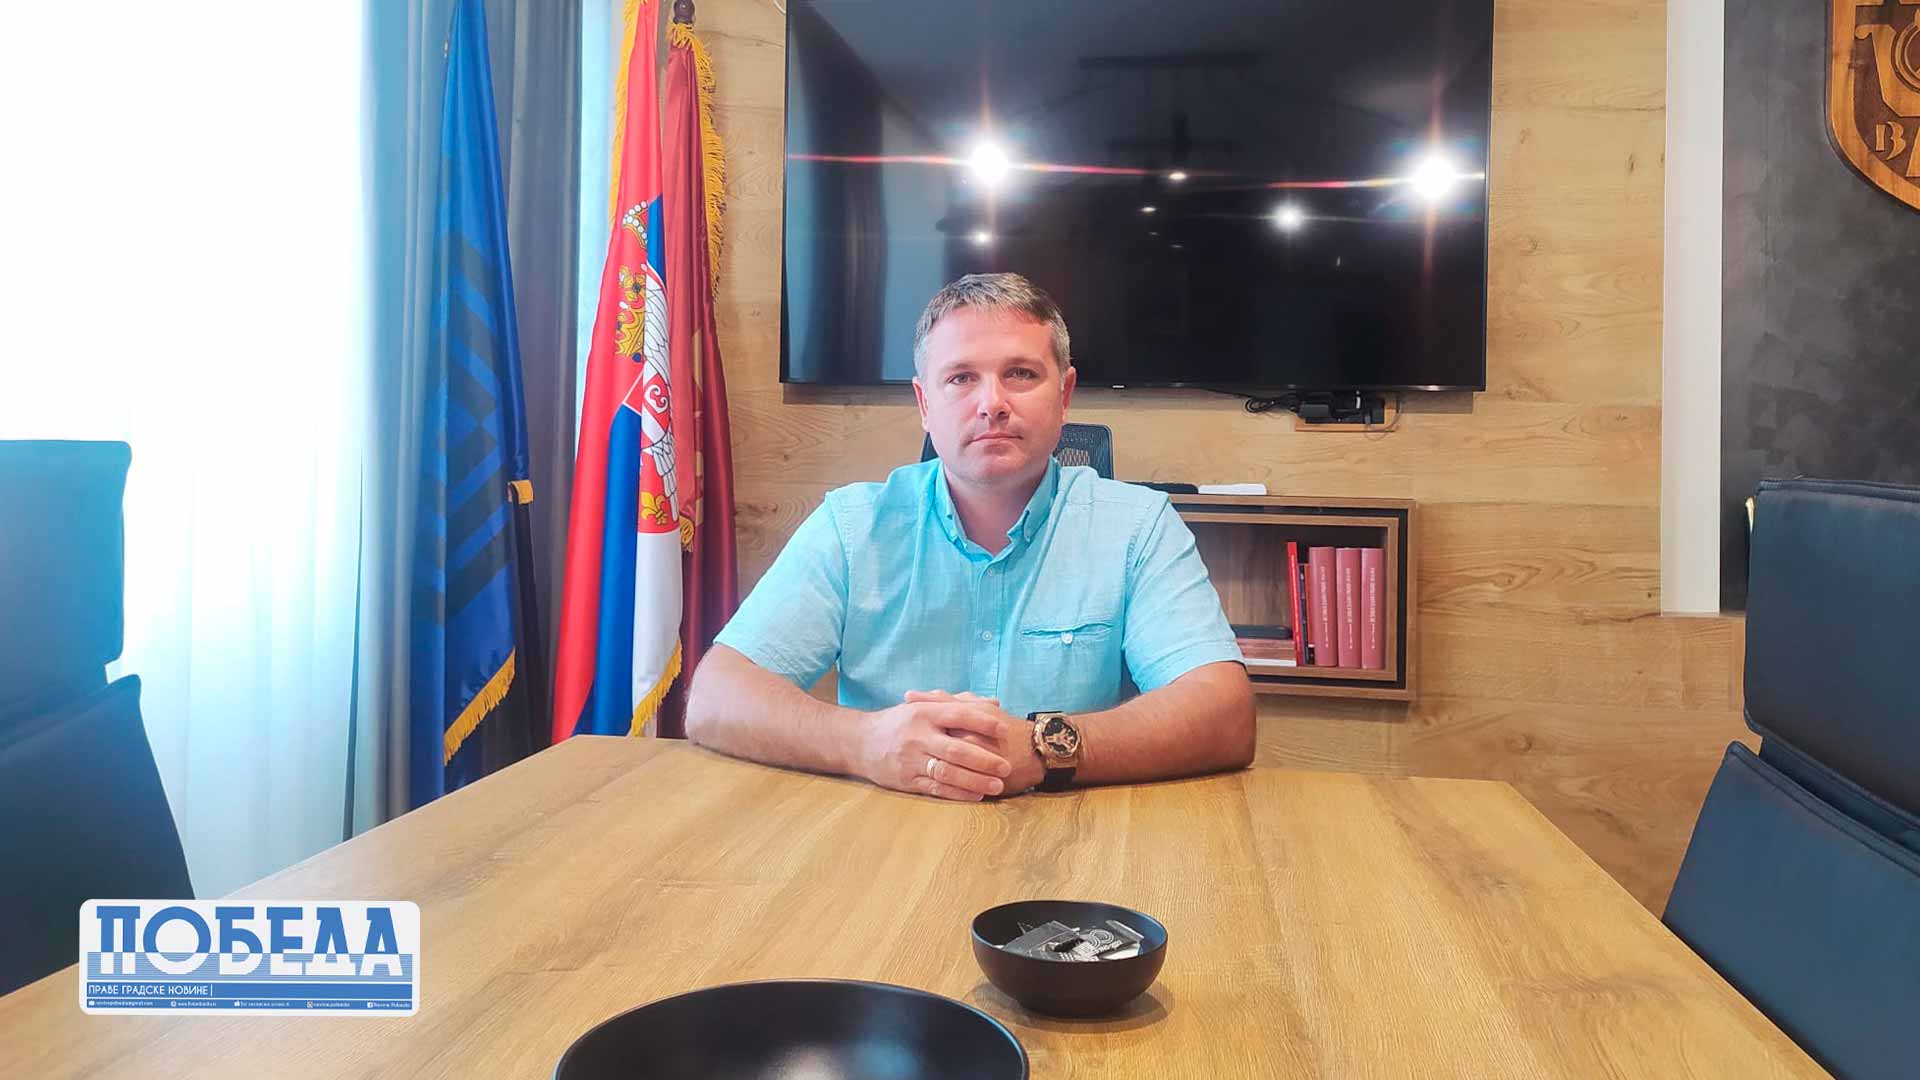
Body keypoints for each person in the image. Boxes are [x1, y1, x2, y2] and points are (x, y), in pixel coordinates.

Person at [685, 273, 1254, 799]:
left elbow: (1225, 714)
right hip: (883, 835)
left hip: (1069, 834)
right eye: (961, 378)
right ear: (924, 403)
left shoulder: (1137, 525)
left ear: (1064, 396)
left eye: (1021, 374)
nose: (992, 404)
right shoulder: (852, 526)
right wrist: (864, 743)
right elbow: (716, 696)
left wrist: (1044, 748)